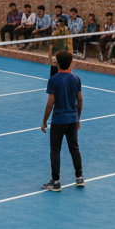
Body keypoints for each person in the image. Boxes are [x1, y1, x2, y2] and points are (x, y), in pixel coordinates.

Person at [41, 49, 84, 191]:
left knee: (55, 150)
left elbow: (50, 102)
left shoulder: (53, 80)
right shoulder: (76, 79)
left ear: (57, 63)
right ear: (71, 63)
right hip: (72, 120)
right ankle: (79, 177)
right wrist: (78, 118)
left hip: (58, 120)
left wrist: (44, 120)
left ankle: (56, 181)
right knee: (74, 148)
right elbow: (80, 100)